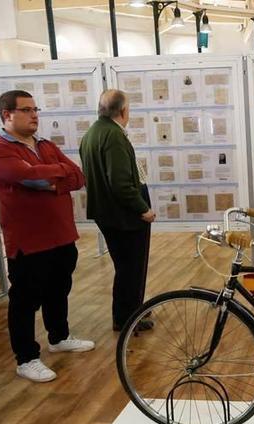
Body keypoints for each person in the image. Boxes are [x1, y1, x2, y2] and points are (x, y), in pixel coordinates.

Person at [0, 90, 93, 383]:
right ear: (7, 115)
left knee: (59, 289)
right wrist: (54, 176)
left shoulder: (45, 144)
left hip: (61, 235)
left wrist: (50, 179)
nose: (35, 115)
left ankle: (58, 336)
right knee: (24, 300)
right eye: (26, 110)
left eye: (36, 109)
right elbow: (29, 177)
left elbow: (78, 176)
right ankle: (26, 358)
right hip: (29, 241)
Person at [80, 90, 156, 333]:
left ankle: (127, 313)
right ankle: (128, 318)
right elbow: (120, 183)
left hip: (108, 214)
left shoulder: (92, 133)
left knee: (125, 267)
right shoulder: (113, 136)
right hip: (124, 216)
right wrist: (143, 209)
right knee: (132, 268)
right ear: (123, 110)